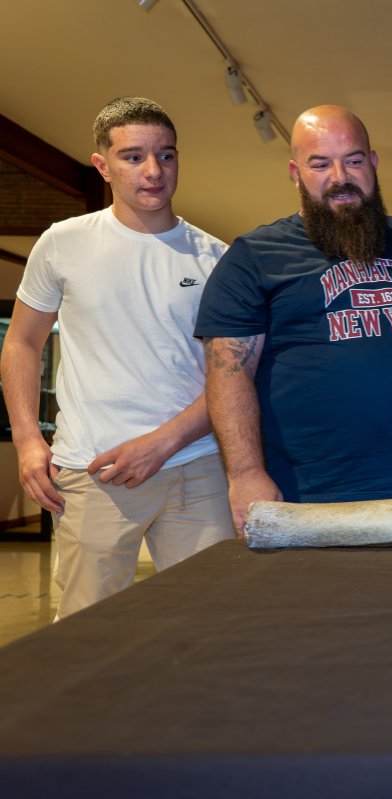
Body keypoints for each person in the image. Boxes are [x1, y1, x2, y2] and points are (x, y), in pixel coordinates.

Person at [196, 105, 392, 534]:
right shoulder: (254, 257)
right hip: (308, 500)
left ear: (374, 163)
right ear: (295, 172)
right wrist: (245, 473)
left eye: (354, 160)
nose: (339, 176)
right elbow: (229, 375)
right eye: (320, 163)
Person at [0, 97, 235, 618]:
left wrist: (162, 442)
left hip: (196, 469)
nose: (154, 171)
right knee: (86, 633)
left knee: (208, 625)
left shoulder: (216, 257)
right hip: (93, 471)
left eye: (166, 156)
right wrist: (27, 438)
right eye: (133, 157)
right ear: (101, 165)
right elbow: (20, 341)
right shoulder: (62, 244)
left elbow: (233, 378)